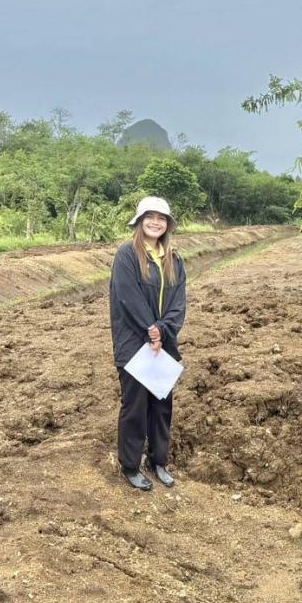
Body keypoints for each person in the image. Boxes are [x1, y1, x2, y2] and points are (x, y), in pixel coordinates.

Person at [109, 196, 187, 491]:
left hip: (163, 344)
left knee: (162, 404)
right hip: (134, 343)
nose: (156, 222)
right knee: (135, 405)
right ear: (140, 221)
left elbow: (179, 303)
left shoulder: (174, 259)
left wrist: (163, 331)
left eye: (161, 218)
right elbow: (127, 297)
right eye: (150, 217)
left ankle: (159, 461)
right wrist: (150, 330)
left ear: (168, 225)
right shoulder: (126, 255)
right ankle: (131, 465)